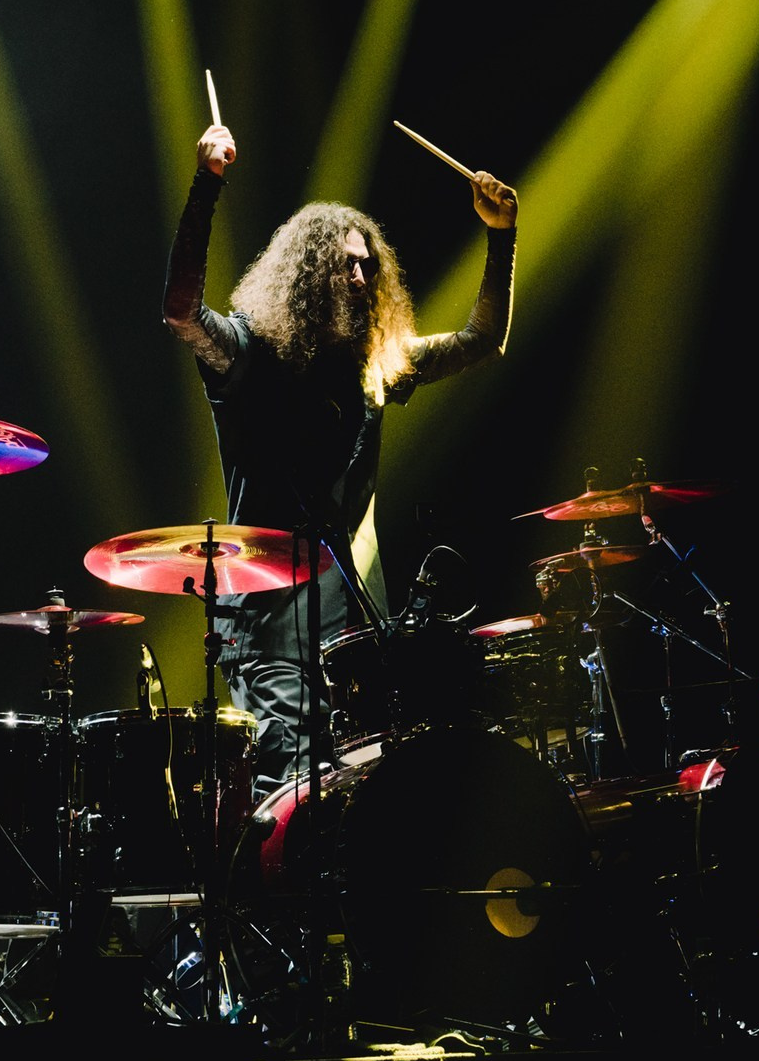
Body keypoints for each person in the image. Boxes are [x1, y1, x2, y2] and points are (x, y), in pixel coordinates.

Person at [162, 118, 516, 800]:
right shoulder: (249, 354)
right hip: (266, 623)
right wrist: (207, 185)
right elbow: (181, 311)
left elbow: (482, 339)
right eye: (344, 264)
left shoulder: (373, 366)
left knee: (363, 792)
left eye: (367, 266)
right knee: (295, 787)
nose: (359, 276)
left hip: (351, 625)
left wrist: (502, 236)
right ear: (305, 276)